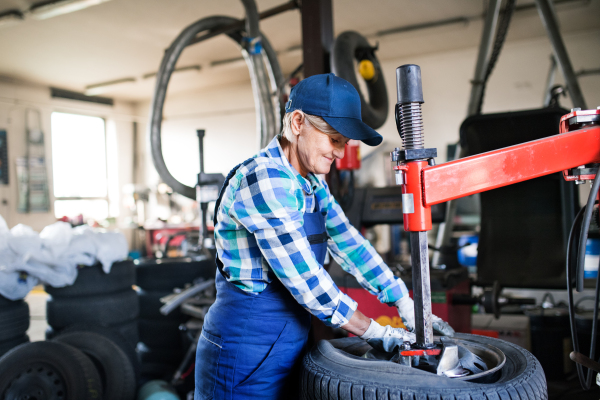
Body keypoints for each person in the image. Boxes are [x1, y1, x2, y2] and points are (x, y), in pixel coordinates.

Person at [194, 73, 454, 400]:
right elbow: (307, 280)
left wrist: (404, 301)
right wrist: (378, 332)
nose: (340, 153)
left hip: (288, 343)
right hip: (243, 350)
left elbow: (349, 243)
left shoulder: (312, 184)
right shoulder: (265, 179)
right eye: (334, 139)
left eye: (345, 143)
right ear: (298, 122)